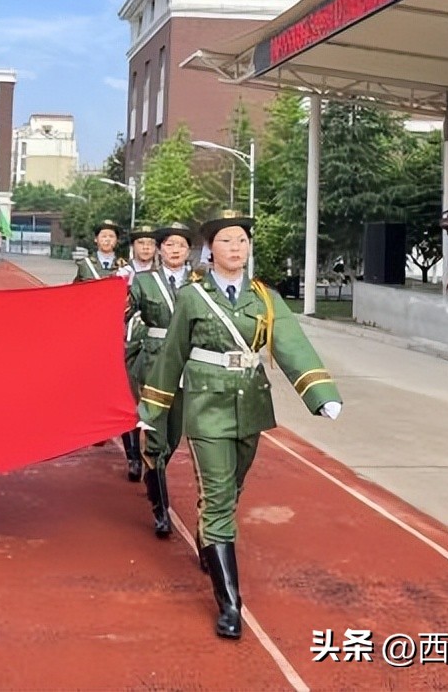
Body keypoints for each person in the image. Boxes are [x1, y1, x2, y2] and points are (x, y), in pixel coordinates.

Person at [140, 214, 342, 640]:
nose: (236, 247)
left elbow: (291, 345)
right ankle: (230, 603)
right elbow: (172, 355)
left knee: (232, 489)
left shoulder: (265, 298)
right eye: (227, 240)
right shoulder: (194, 297)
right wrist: (151, 411)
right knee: (217, 496)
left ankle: (208, 530)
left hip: (250, 404)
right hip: (206, 405)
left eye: (243, 240)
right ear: (211, 249)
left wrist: (321, 395)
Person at [127, 221, 197, 524]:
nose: (175, 250)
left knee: (173, 435)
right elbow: (122, 312)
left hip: (186, 364)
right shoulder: (144, 281)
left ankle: (155, 476)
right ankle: (161, 510)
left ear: (188, 250)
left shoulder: (200, 283)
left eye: (180, 245)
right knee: (155, 437)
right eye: (169, 245)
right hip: (154, 365)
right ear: (160, 249)